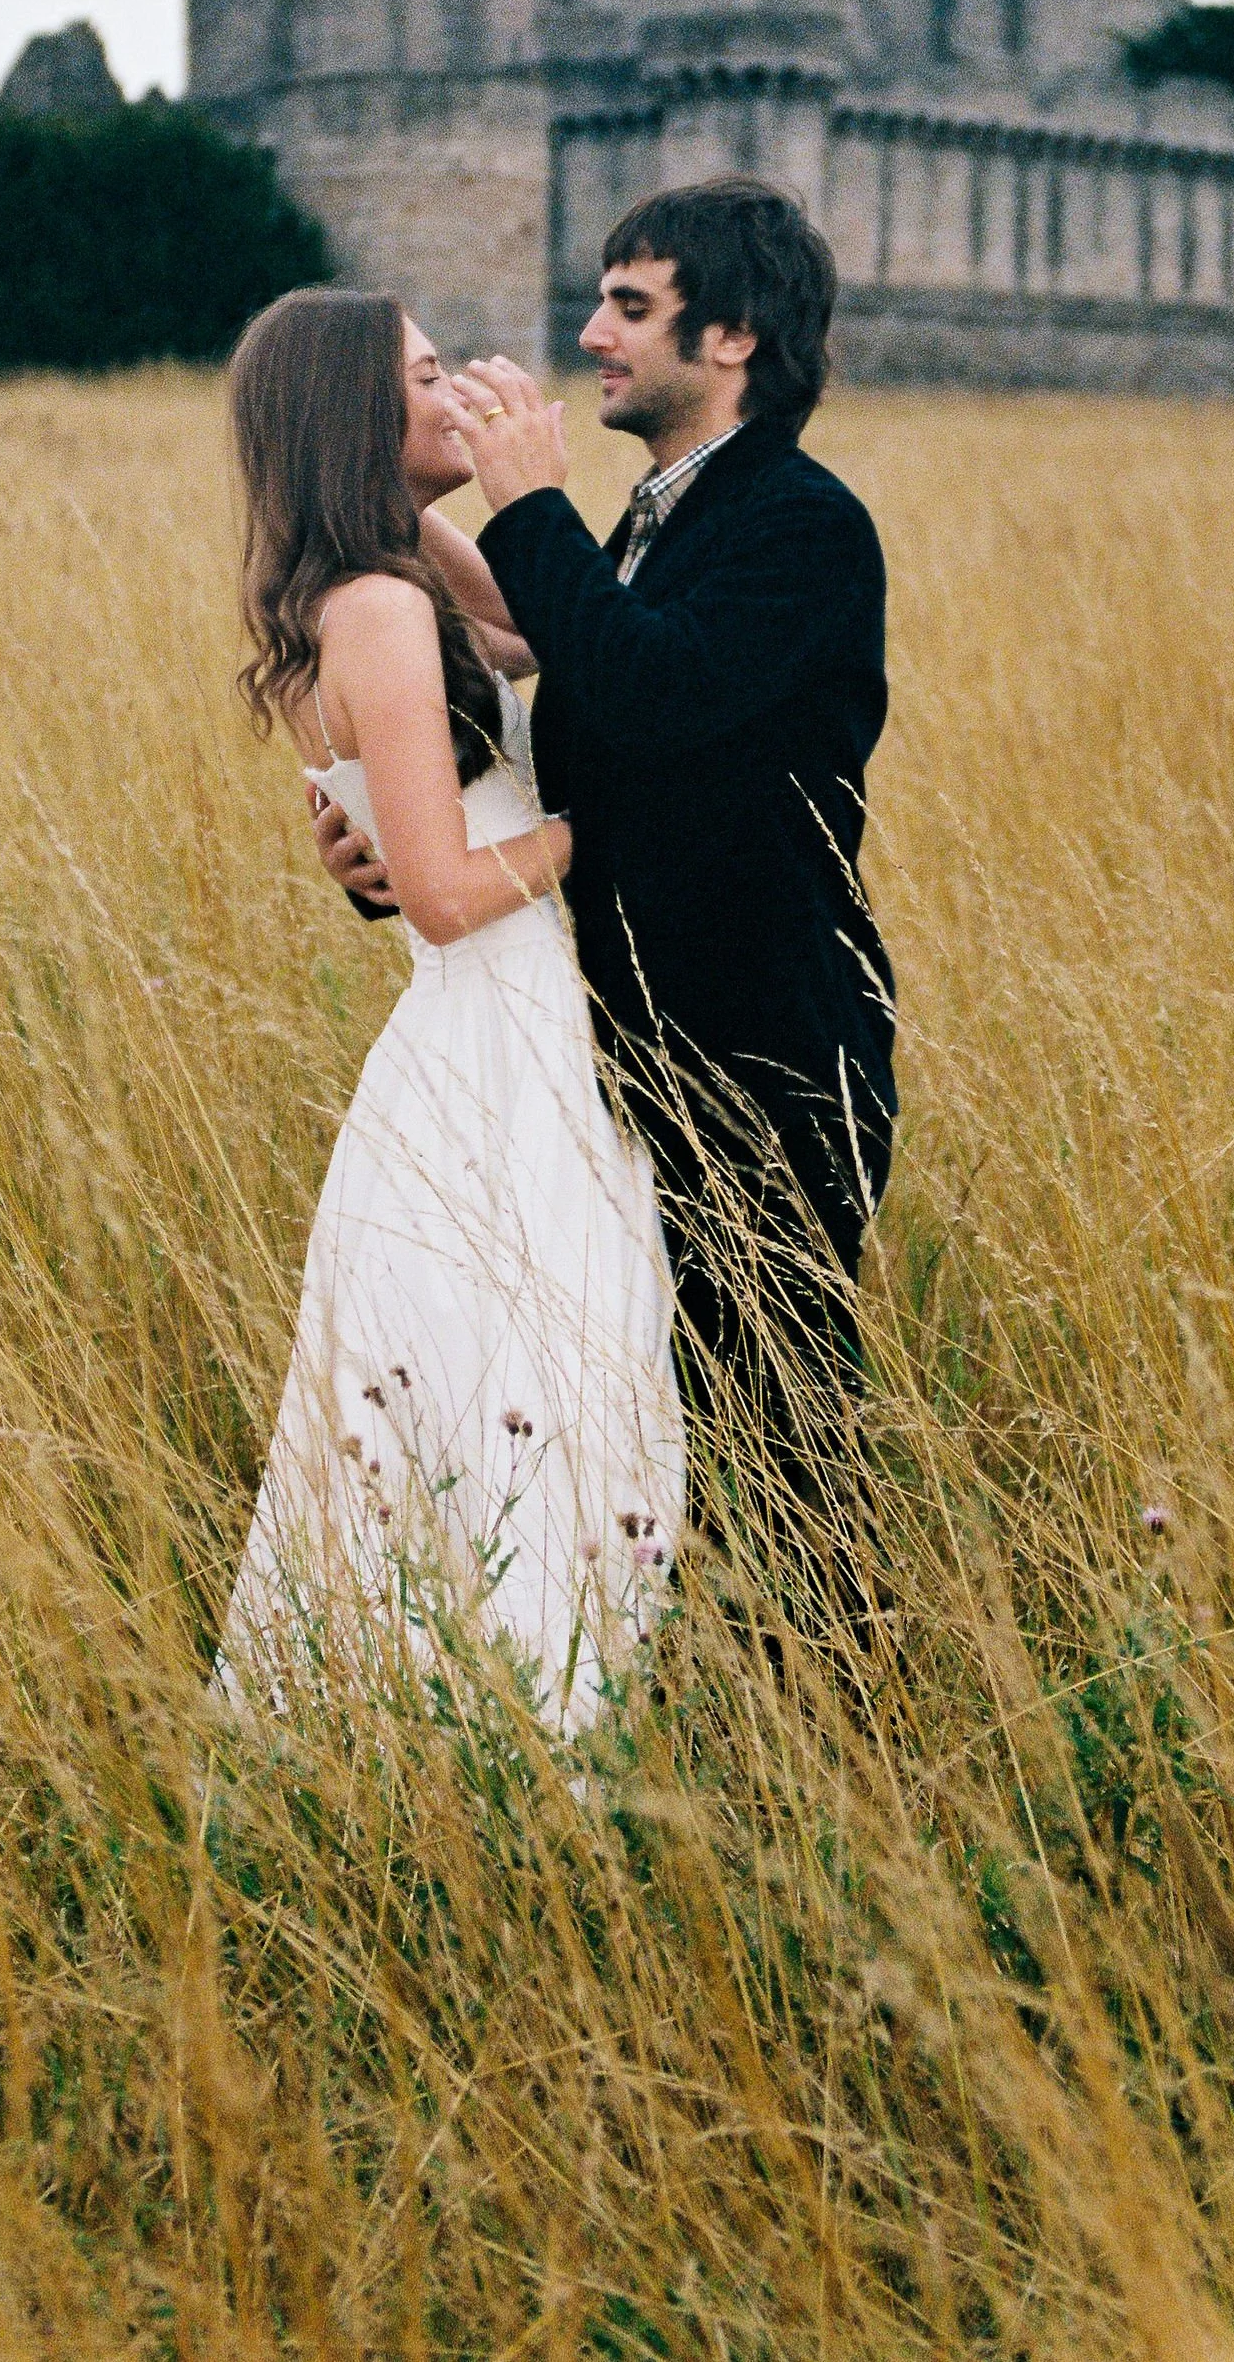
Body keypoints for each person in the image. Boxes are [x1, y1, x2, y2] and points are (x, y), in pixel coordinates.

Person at [317, 178, 895, 1616]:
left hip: (766, 1051)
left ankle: (839, 1745)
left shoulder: (802, 525)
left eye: (631, 308)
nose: (590, 334)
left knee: (784, 1439)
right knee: (653, 1432)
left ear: (737, 335)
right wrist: (384, 835)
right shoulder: (654, 520)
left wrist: (527, 504)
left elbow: (644, 699)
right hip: (624, 1054)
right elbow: (548, 701)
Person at [222, 287, 683, 1730]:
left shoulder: (396, 572)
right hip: (493, 1039)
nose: (462, 389)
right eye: (427, 376)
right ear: (362, 411)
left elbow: (546, 639)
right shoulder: (367, 607)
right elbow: (436, 887)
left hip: (518, 1026)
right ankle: (516, 1732)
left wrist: (482, 491)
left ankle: (519, 1730)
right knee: (524, 1396)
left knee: (554, 1386)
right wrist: (611, 820)